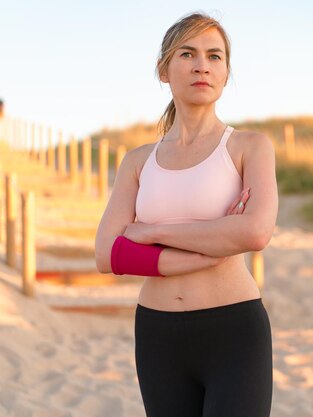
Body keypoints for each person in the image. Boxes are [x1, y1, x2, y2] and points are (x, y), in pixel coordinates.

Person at [95, 11, 278, 417]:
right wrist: (210, 247)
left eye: (215, 56)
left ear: (226, 72)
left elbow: (256, 233)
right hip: (157, 334)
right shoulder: (138, 160)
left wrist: (149, 233)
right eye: (188, 53)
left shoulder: (250, 146)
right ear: (164, 69)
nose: (202, 65)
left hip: (234, 330)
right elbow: (107, 255)